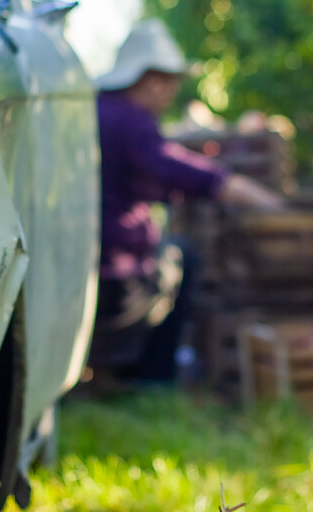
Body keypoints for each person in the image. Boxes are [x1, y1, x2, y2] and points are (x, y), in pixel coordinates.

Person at [88, 19, 283, 386]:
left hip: (89, 257)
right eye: (168, 82)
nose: (171, 93)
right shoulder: (130, 121)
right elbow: (171, 167)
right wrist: (238, 188)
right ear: (149, 79)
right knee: (183, 259)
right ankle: (153, 376)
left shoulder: (98, 111)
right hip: (114, 269)